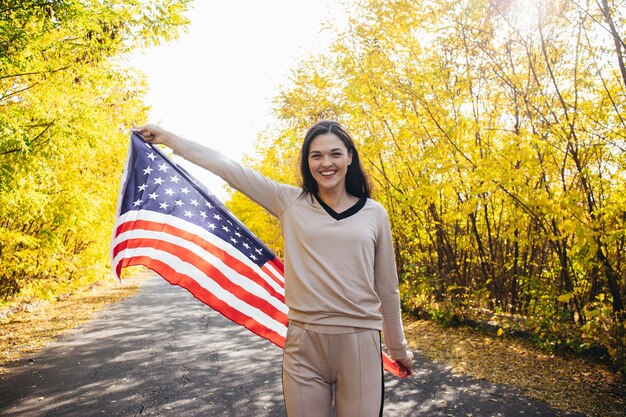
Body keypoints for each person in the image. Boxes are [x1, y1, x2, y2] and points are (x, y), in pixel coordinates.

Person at [133, 120, 413, 417]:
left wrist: (398, 348)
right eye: (316, 155)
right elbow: (228, 168)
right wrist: (169, 138)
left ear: (349, 157)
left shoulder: (374, 213)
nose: (326, 163)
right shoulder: (288, 201)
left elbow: (387, 287)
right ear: (307, 162)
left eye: (335, 154)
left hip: (360, 344)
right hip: (304, 345)